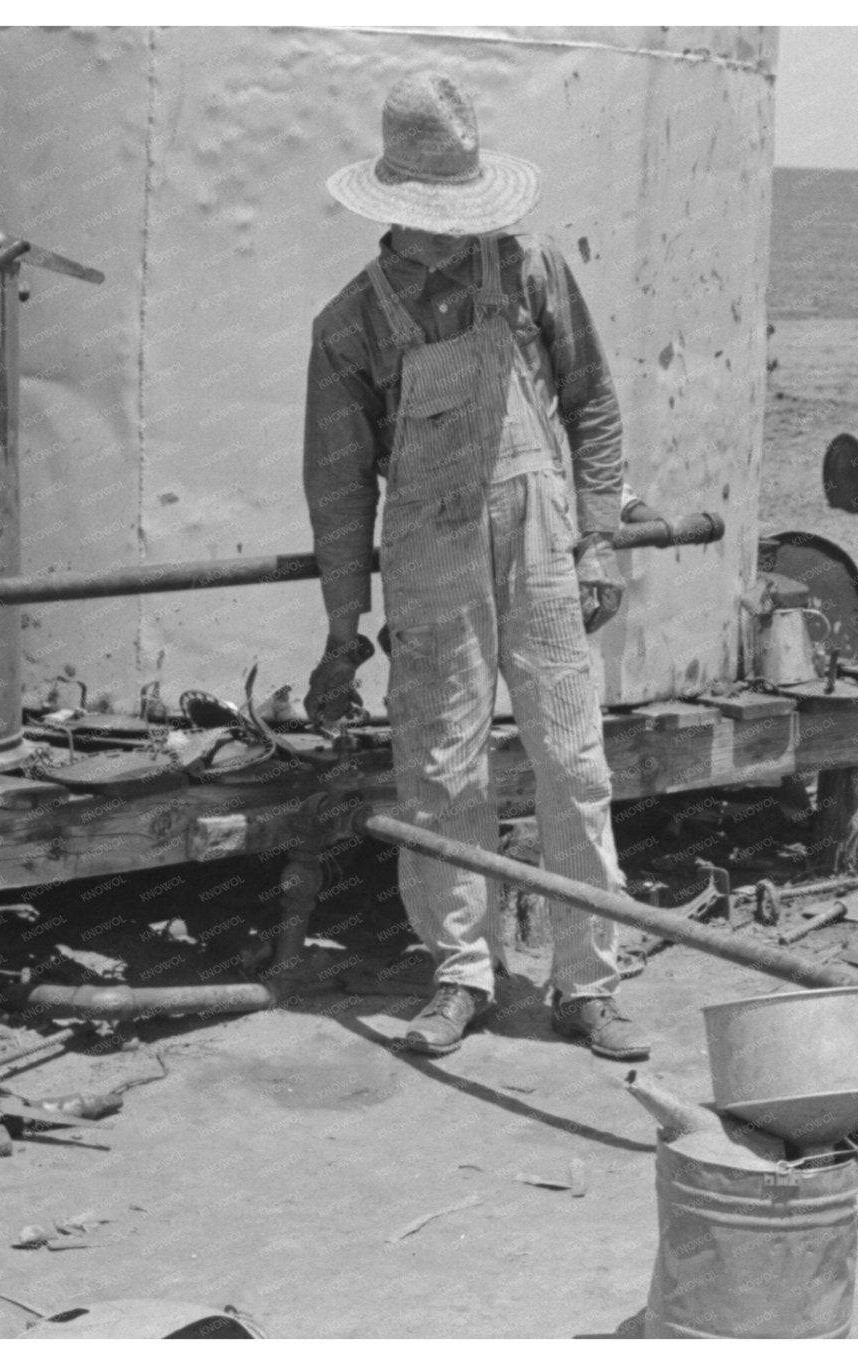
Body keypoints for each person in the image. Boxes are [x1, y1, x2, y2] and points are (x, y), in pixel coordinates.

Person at [301, 71, 648, 1062]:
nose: (455, 231)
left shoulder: (530, 271)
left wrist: (598, 538)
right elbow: (336, 494)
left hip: (540, 549)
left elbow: (591, 407)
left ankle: (587, 981)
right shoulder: (348, 325)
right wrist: (341, 630)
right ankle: (460, 972)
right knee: (441, 769)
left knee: (570, 761)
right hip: (427, 555)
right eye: (436, 214)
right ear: (397, 208)